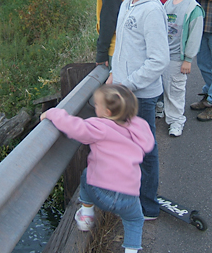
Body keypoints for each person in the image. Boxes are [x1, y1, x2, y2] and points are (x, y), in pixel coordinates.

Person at [40, 84, 154, 253]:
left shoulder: (100, 127)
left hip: (100, 192)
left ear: (107, 112)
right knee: (135, 220)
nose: (95, 107)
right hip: (128, 196)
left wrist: (52, 112)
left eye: (97, 105)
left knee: (87, 175)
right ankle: (131, 250)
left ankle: (86, 215)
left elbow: (74, 127)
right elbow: (148, 143)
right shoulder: (139, 128)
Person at [107, 0, 170, 220]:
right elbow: (123, 45)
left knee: (146, 150)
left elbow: (159, 60)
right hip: (123, 90)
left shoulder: (152, 11)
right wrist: (113, 73)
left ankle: (148, 205)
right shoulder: (127, 3)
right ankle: (131, 193)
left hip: (140, 95)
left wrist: (128, 84)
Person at [162, 0, 204, 136]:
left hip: (178, 58)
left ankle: (176, 121)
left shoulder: (193, 8)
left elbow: (194, 36)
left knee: (175, 90)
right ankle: (164, 113)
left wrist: (188, 59)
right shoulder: (166, 5)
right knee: (164, 87)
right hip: (163, 55)